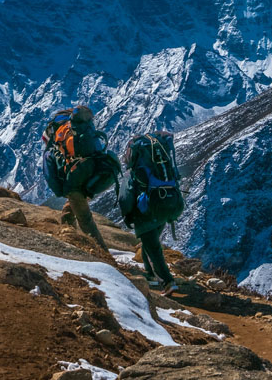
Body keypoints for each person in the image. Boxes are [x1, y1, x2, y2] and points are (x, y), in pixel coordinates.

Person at [41, 105, 121, 252]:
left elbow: (51, 177)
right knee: (71, 207)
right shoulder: (82, 132)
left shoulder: (56, 145)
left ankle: (103, 255)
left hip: (77, 180)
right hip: (98, 171)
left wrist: (63, 190)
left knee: (85, 220)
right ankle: (69, 236)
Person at [119, 131, 185, 296]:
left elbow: (125, 197)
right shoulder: (161, 168)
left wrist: (127, 214)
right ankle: (150, 275)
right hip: (165, 206)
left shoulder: (135, 172)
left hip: (146, 211)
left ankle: (167, 282)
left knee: (153, 247)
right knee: (150, 242)